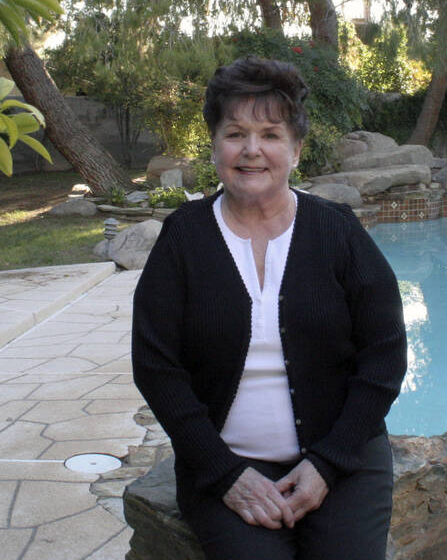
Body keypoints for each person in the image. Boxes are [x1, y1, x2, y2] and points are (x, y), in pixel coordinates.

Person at [132, 56, 407, 560]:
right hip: (225, 467)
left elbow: (385, 352)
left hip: (344, 462)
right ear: (215, 145)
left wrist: (328, 462)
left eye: (271, 134)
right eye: (236, 133)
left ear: (296, 149)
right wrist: (224, 473)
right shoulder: (184, 238)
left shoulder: (337, 231)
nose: (252, 150)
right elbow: (156, 367)